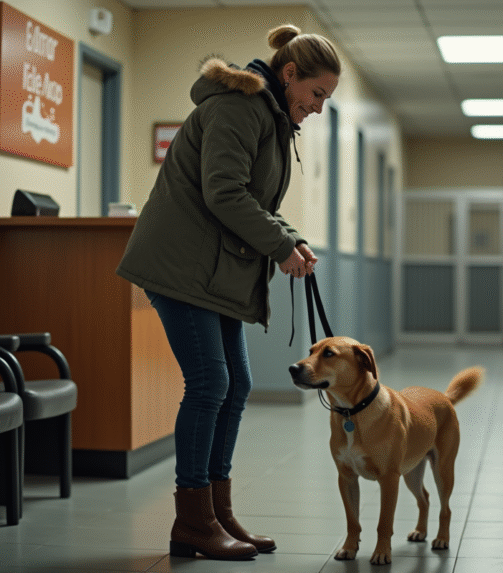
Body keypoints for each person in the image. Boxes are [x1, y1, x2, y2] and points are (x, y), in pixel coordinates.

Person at [116, 24, 340, 561]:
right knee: (210, 382)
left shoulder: (271, 117)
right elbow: (224, 192)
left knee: (235, 382)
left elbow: (253, 199)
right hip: (181, 265)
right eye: (317, 94)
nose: (319, 107)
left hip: (211, 269)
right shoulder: (240, 108)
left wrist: (290, 240)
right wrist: (280, 248)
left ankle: (216, 512)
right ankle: (193, 519)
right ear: (289, 75)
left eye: (326, 98)